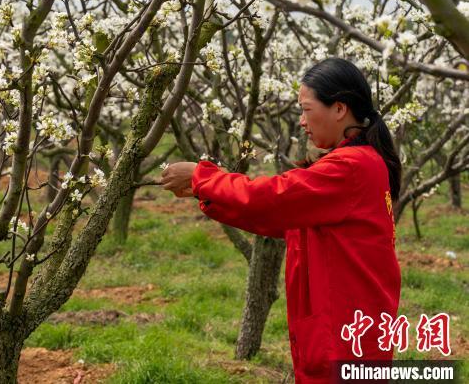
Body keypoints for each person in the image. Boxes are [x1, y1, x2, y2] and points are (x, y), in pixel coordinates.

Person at [160, 58, 402, 383]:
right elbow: (280, 216)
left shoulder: (351, 167)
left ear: (340, 108)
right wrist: (204, 191)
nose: (301, 121)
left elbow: (275, 197)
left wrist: (203, 177)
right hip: (347, 330)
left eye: (306, 109)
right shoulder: (357, 162)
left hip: (343, 338)